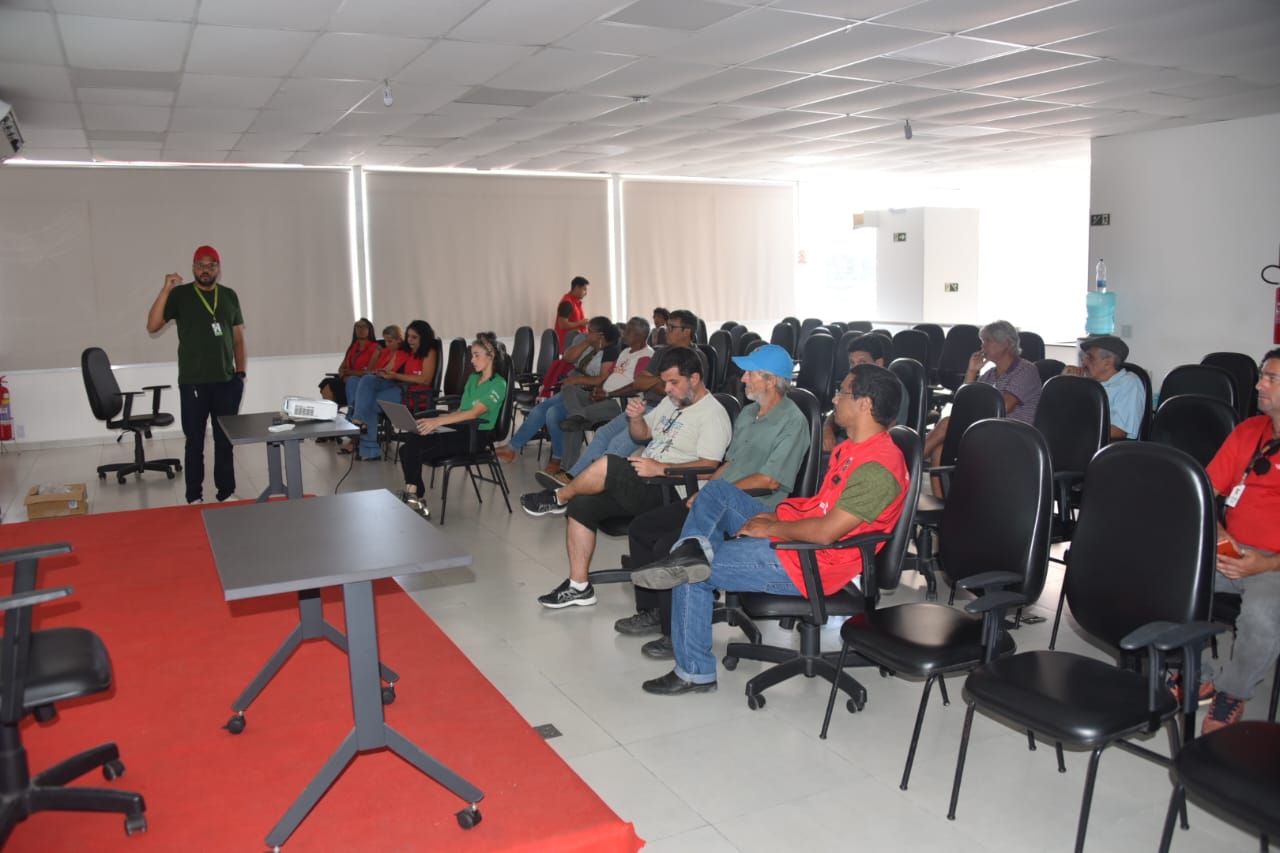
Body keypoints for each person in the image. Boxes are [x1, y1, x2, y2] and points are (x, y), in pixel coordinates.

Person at [629, 364, 908, 695]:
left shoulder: (878, 467)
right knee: (716, 494)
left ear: (865, 404)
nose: (834, 398)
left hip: (812, 562)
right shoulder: (852, 447)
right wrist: (778, 522)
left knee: (690, 571)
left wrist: (773, 527)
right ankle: (692, 549)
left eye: (843, 392)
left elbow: (826, 534)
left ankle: (694, 672)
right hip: (798, 533)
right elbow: (822, 508)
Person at [615, 344, 811, 659]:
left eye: (750, 373)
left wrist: (716, 493)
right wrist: (708, 489)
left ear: (771, 380)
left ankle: (671, 632)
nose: (743, 378)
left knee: (671, 545)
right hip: (720, 499)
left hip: (756, 508)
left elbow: (769, 480)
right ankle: (650, 610)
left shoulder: (793, 421)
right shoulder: (749, 413)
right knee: (642, 528)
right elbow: (729, 464)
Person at [528, 347, 732, 609]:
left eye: (674, 382)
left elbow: (709, 466)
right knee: (582, 506)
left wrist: (661, 468)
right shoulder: (672, 403)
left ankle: (558, 496)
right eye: (665, 382)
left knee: (609, 464)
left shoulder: (713, 415)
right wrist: (635, 418)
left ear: (694, 378)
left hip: (673, 489)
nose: (667, 389)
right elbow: (642, 434)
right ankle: (579, 586)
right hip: (646, 480)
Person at [1196, 348, 1280, 733]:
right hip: (1228, 549)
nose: (1260, 385)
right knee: (1163, 575)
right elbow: (1205, 491)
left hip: (1274, 564)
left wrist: (1265, 563)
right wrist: (1219, 534)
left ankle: (1232, 694)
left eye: (1271, 379)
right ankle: (1197, 674)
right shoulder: (1249, 430)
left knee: (1262, 615)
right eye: (1262, 375)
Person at [146, 245, 246, 504]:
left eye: (211, 265)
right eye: (200, 265)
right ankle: (194, 496)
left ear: (218, 269)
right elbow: (153, 325)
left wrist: (241, 374)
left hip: (226, 382)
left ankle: (226, 492)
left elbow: (237, 339)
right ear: (193, 267)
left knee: (225, 441)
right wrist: (166, 289)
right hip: (193, 382)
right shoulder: (180, 295)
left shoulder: (229, 296)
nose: (205, 269)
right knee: (195, 442)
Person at [552, 309, 698, 486]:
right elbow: (640, 383)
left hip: (668, 412)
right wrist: (661, 380)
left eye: (671, 327)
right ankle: (572, 476)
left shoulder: (696, 358)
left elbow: (676, 392)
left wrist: (657, 381)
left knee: (617, 443)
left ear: (687, 331)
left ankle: (589, 482)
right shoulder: (661, 353)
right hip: (645, 405)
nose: (665, 330)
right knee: (602, 433)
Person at [399, 332, 508, 519]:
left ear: (491, 357)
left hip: (476, 434)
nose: (472, 360)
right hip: (459, 428)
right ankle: (414, 494)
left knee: (410, 449)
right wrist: (441, 418)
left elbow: (474, 413)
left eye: (476, 355)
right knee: (412, 439)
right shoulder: (473, 379)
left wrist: (439, 421)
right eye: (471, 355)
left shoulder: (498, 384)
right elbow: (462, 410)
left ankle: (414, 495)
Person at [495, 316, 621, 474]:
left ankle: (558, 458)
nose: (586, 333)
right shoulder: (589, 345)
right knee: (540, 410)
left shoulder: (610, 350)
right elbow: (568, 357)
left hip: (589, 395)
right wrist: (587, 341)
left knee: (553, 413)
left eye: (590, 332)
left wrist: (576, 379)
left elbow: (602, 380)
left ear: (600, 335)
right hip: (573, 389)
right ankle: (511, 448)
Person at [922, 320, 1041, 474]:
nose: (982, 347)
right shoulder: (989, 375)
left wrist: (970, 418)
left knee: (947, 424)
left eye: (987, 341)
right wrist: (971, 371)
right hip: (989, 429)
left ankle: (908, 466)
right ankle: (944, 498)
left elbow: (1004, 407)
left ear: (1005, 343)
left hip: (1015, 436)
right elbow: (963, 403)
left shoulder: (1026, 370)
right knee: (939, 451)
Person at [556, 317, 653, 474]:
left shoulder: (646, 356)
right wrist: (599, 389)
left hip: (620, 403)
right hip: (604, 395)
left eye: (628, 331)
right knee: (569, 388)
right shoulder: (625, 352)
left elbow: (636, 387)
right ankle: (577, 416)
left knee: (573, 421)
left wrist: (608, 393)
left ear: (639, 336)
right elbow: (608, 375)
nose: (624, 334)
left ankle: (569, 472)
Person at [349, 319, 437, 460]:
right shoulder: (407, 351)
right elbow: (393, 368)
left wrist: (395, 375)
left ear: (423, 337)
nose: (410, 340)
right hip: (399, 386)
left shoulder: (429, 351)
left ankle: (369, 449)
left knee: (370, 402)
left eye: (414, 337)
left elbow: (425, 379)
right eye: (408, 336)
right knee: (367, 380)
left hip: (414, 394)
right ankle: (358, 418)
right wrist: (386, 373)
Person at [1062, 334, 1144, 440]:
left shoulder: (1129, 383)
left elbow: (1119, 431)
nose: (1084, 361)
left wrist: (1075, 427)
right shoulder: (1086, 381)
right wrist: (1065, 382)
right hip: (1077, 442)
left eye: (1090, 357)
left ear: (1108, 363)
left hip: (1107, 449)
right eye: (1085, 357)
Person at [822, 333, 890, 452]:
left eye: (862, 362)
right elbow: (835, 412)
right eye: (852, 363)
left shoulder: (888, 390)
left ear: (879, 363)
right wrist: (827, 429)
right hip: (842, 445)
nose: (855, 368)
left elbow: (887, 434)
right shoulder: (852, 383)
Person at [318, 318, 377, 409]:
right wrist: (344, 376)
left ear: (370, 329)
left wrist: (349, 372)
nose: (360, 329)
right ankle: (329, 413)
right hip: (347, 380)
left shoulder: (376, 348)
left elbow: (369, 372)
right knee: (327, 383)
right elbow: (341, 368)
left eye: (364, 327)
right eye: (358, 327)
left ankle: (337, 412)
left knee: (333, 385)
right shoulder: (353, 347)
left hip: (362, 383)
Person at [555, 276, 590, 351]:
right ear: (577, 288)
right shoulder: (567, 303)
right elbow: (562, 325)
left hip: (575, 343)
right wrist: (580, 323)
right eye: (584, 289)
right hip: (568, 345)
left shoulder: (575, 302)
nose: (586, 293)